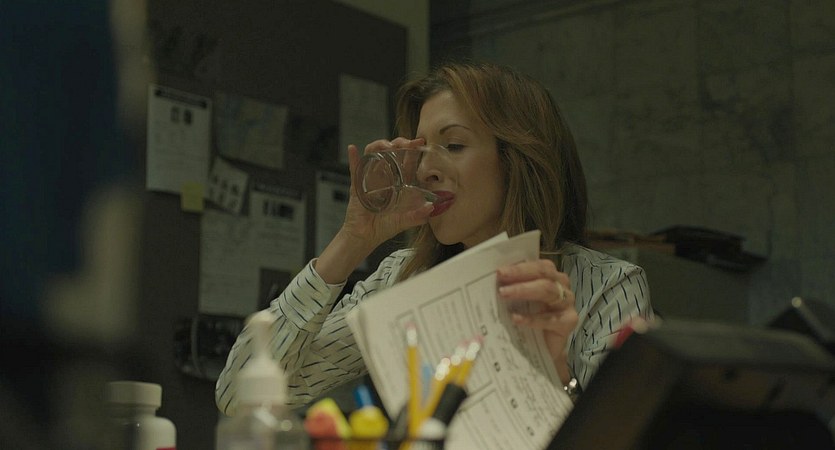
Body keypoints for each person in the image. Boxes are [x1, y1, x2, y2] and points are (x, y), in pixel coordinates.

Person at [215, 61, 653, 415]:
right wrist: (352, 239)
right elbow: (239, 396)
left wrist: (556, 370)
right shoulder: (405, 277)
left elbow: (627, 434)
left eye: (454, 146)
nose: (426, 169)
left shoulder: (607, 286)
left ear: (517, 160)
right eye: (422, 150)